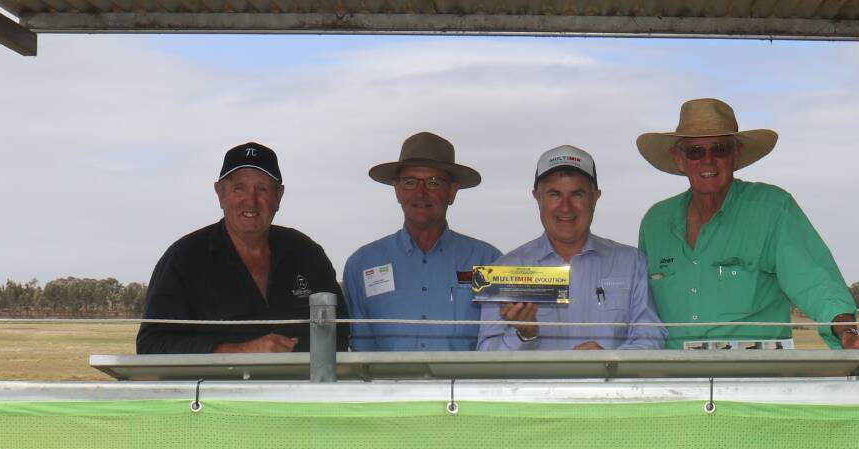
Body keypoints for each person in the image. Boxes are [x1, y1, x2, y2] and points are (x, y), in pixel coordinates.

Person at [636, 98, 859, 368]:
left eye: (719, 149)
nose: (707, 160)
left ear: (736, 154)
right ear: (679, 159)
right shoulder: (655, 222)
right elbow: (639, 309)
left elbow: (817, 283)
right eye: (695, 151)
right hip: (671, 380)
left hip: (755, 379)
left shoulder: (773, 210)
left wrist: (848, 336)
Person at [137, 141, 349, 354]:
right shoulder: (183, 259)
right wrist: (238, 353)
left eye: (262, 189)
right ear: (220, 193)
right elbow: (151, 346)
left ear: (279, 196)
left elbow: (340, 334)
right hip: (217, 388)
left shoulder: (308, 254)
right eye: (239, 188)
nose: (251, 201)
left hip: (300, 387)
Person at [478, 146, 665, 350]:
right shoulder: (505, 268)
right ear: (537, 197)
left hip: (611, 383)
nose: (565, 207)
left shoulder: (632, 263)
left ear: (595, 197)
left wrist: (610, 361)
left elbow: (651, 338)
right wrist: (524, 335)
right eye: (554, 194)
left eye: (577, 194)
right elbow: (486, 352)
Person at [343, 132, 501, 351]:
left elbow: (497, 343)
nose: (420, 192)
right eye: (410, 182)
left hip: (464, 385)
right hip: (387, 386)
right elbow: (361, 350)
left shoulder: (488, 260)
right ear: (397, 190)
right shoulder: (361, 264)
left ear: (452, 192)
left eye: (433, 182)